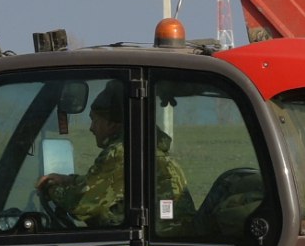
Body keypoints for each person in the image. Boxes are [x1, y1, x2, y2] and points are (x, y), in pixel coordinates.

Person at [34, 80, 190, 228]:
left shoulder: (121, 153)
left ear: (111, 123)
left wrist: (50, 189)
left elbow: (81, 204)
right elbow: (101, 184)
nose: (91, 128)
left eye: (94, 120)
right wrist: (68, 180)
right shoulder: (139, 149)